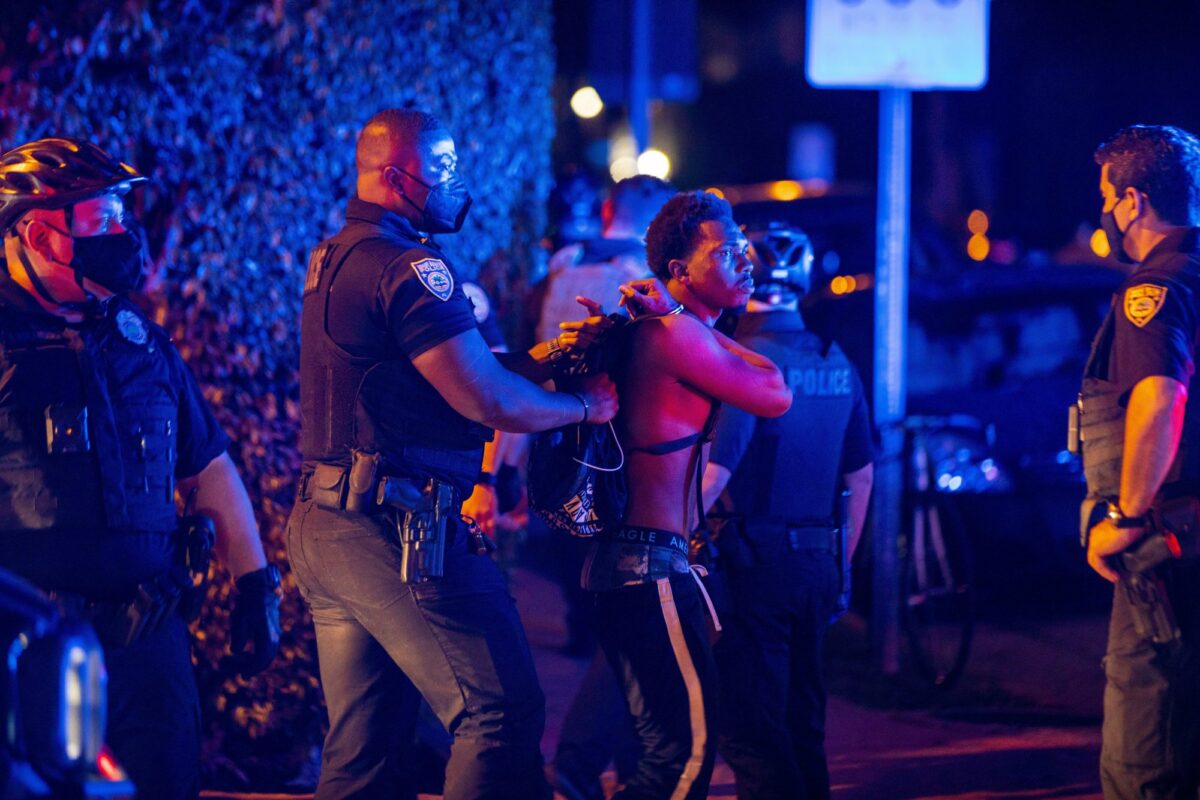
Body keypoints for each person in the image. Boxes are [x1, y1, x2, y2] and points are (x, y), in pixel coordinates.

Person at [287, 108, 618, 800]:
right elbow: (485, 398)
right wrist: (585, 406)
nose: (453, 182)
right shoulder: (407, 268)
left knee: (367, 754)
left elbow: (448, 370)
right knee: (499, 712)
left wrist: (558, 356)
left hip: (334, 521)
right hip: (395, 527)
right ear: (392, 174)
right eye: (440, 169)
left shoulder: (339, 254)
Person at [0, 137, 280, 800]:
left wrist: (255, 585)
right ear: (40, 233)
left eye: (123, 215)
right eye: (103, 220)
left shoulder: (137, 337)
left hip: (148, 645)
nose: (124, 234)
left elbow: (207, 462)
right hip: (29, 653)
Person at [583, 190, 792, 799]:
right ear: (680, 271)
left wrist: (682, 317)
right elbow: (774, 390)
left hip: (631, 563)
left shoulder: (671, 329)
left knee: (660, 751)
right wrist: (679, 318)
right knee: (685, 756)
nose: (746, 262)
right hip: (650, 567)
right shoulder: (671, 335)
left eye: (743, 247)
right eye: (727, 252)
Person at [699, 222, 874, 800]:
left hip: (757, 565)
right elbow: (862, 474)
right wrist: (839, 564)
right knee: (804, 723)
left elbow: (715, 474)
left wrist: (662, 537)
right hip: (820, 563)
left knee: (751, 726)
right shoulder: (836, 360)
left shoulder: (743, 361)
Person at [1081, 124, 1200, 799]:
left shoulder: (1154, 289)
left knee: (1144, 763)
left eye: (1108, 195)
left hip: (1170, 549)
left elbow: (1159, 399)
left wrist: (1126, 515)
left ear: (1132, 200)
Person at [536, 174, 676, 343]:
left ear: (607, 208)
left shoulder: (562, 261)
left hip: (541, 364)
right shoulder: (656, 279)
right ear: (662, 225)